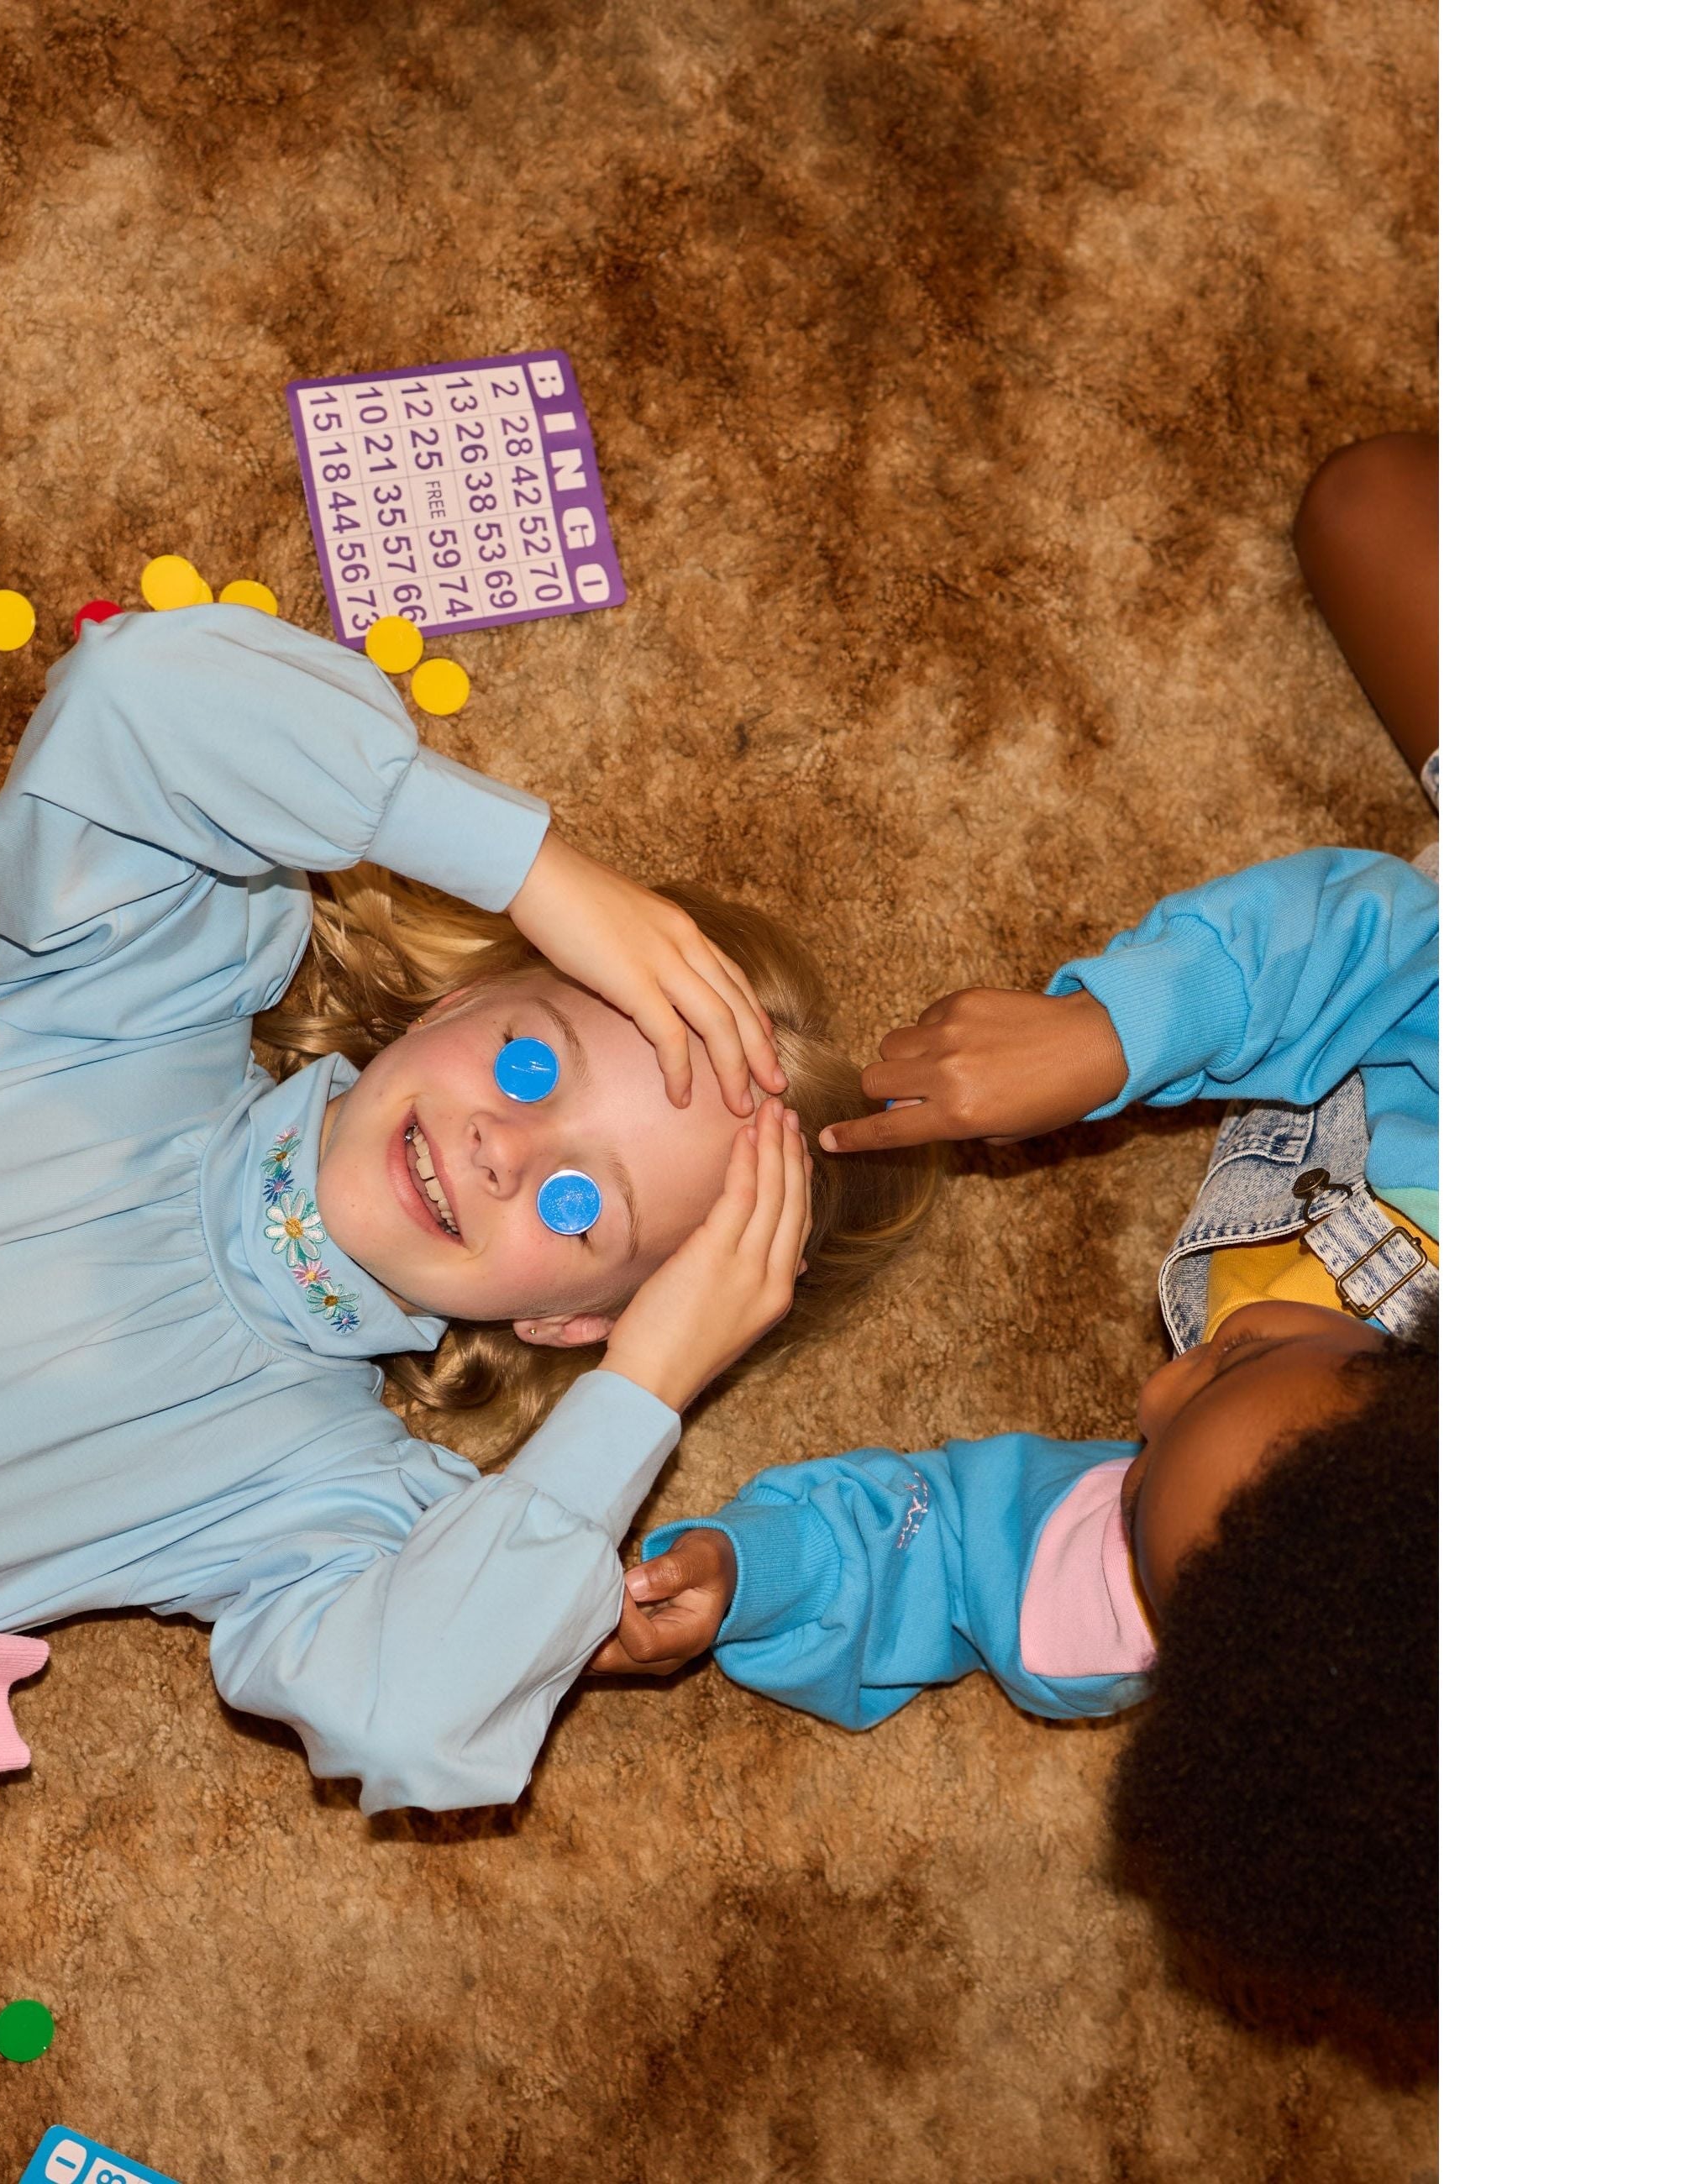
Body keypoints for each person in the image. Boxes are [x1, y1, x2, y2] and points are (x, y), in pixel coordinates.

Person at [0, 603, 937, 1824]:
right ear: (455, 1006)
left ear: (574, 1323)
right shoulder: (154, 993)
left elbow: (406, 1720)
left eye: (578, 1205)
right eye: (532, 1061)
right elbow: (135, 694)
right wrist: (535, 868)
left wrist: (642, 1394)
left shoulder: (312, 1489)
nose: (504, 1149)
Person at [597, 436, 1440, 2032]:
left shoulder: (1191, 1606)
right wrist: (1118, 1032)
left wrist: (751, 1573)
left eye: (1141, 1477)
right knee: (1371, 503)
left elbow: (944, 1553)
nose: (1150, 1390)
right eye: (1229, 1362)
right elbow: (1397, 946)